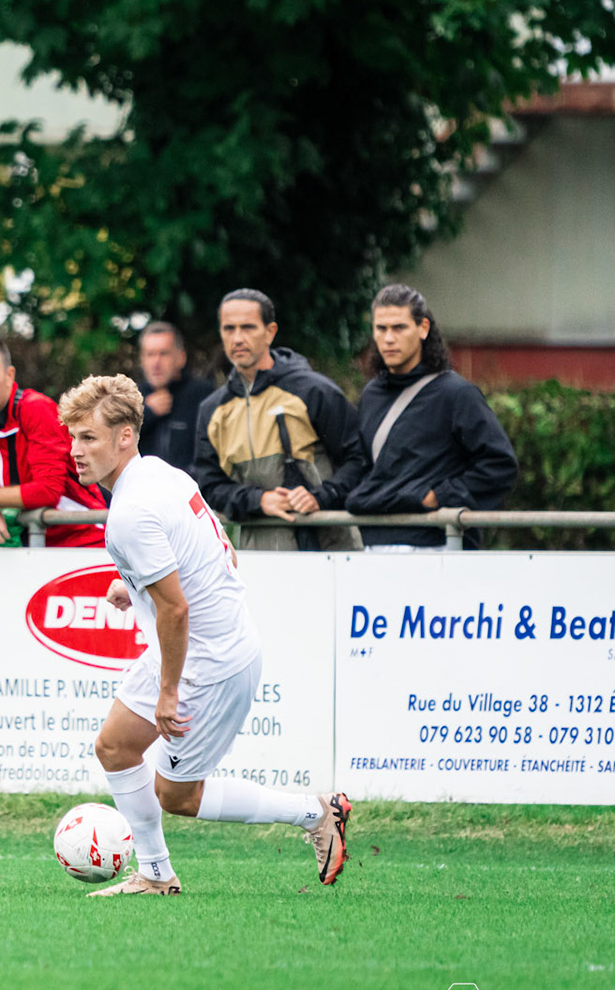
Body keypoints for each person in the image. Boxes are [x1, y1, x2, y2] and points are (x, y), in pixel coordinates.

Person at [60, 374, 352, 896]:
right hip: (193, 648)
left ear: (125, 435)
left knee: (177, 795)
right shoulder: (163, 475)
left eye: (88, 437)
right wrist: (137, 588)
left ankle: (315, 811)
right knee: (115, 748)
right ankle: (155, 875)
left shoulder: (129, 511)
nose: (75, 451)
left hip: (210, 664)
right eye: (73, 436)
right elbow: (220, 554)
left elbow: (175, 610)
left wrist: (169, 691)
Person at [347, 284, 517, 550]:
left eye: (399, 327)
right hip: (374, 546)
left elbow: (500, 465)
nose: (388, 338)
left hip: (437, 546)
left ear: (423, 328)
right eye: (381, 329)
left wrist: (437, 497)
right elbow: (359, 466)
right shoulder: (371, 394)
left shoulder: (457, 393)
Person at [194, 289, 366, 551]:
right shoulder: (211, 410)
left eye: (248, 327)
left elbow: (359, 459)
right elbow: (208, 484)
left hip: (332, 552)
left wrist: (322, 496)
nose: (237, 338)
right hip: (260, 557)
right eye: (229, 329)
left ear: (270, 332)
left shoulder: (314, 391)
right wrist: (258, 500)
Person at [0, 336, 106, 547]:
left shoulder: (36, 408)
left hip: (81, 540)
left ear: (9, 375)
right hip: (27, 544)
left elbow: (47, 491)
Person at [133, 322, 214, 472]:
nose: (156, 363)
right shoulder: (130, 398)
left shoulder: (203, 396)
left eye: (164, 354)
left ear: (181, 358)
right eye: (150, 354)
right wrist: (147, 413)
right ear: (142, 360)